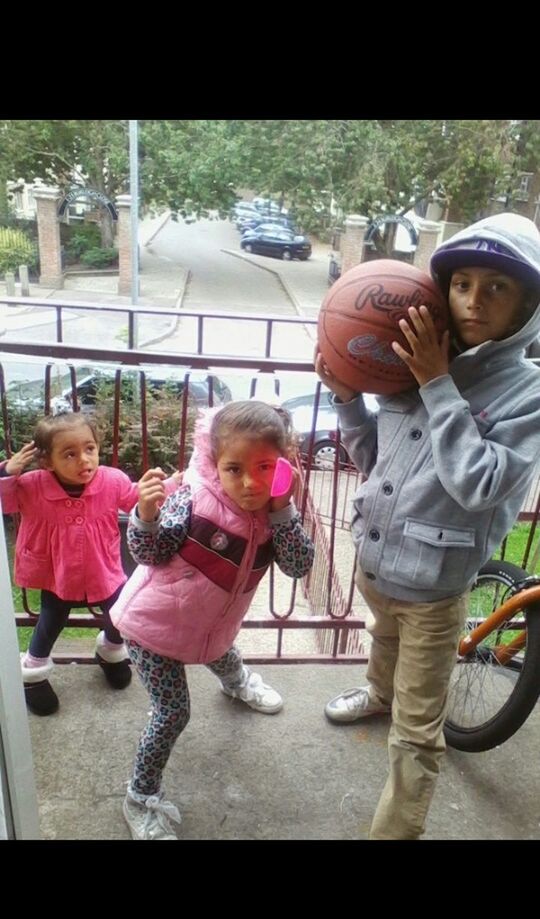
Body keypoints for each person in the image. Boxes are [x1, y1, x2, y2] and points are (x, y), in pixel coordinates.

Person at [315, 212, 540, 840]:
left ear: (529, 303)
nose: (473, 300)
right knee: (381, 638)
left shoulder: (527, 393)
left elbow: (480, 484)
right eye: (462, 283)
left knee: (417, 738)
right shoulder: (405, 360)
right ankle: (377, 691)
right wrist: (346, 398)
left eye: (497, 287)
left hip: (436, 591)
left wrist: (438, 383)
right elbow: (372, 458)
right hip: (376, 563)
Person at [110, 400, 315, 840]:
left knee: (220, 651)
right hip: (152, 628)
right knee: (172, 713)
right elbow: (149, 554)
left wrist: (282, 509)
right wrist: (145, 517)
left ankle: (237, 682)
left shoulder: (274, 513)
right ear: (212, 462)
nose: (248, 483)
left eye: (264, 467)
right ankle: (139, 797)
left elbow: (299, 564)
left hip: (210, 627)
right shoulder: (194, 496)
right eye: (233, 468)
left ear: (281, 467)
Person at [0, 411, 178, 716]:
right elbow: (6, 502)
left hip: (102, 567)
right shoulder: (31, 485)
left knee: (119, 614)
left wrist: (167, 487)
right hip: (56, 572)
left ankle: (110, 652)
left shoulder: (112, 480)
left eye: (89, 449)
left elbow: (134, 499)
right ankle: (33, 673)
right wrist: (5, 473)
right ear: (47, 461)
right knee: (51, 620)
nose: (84, 459)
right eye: (69, 454)